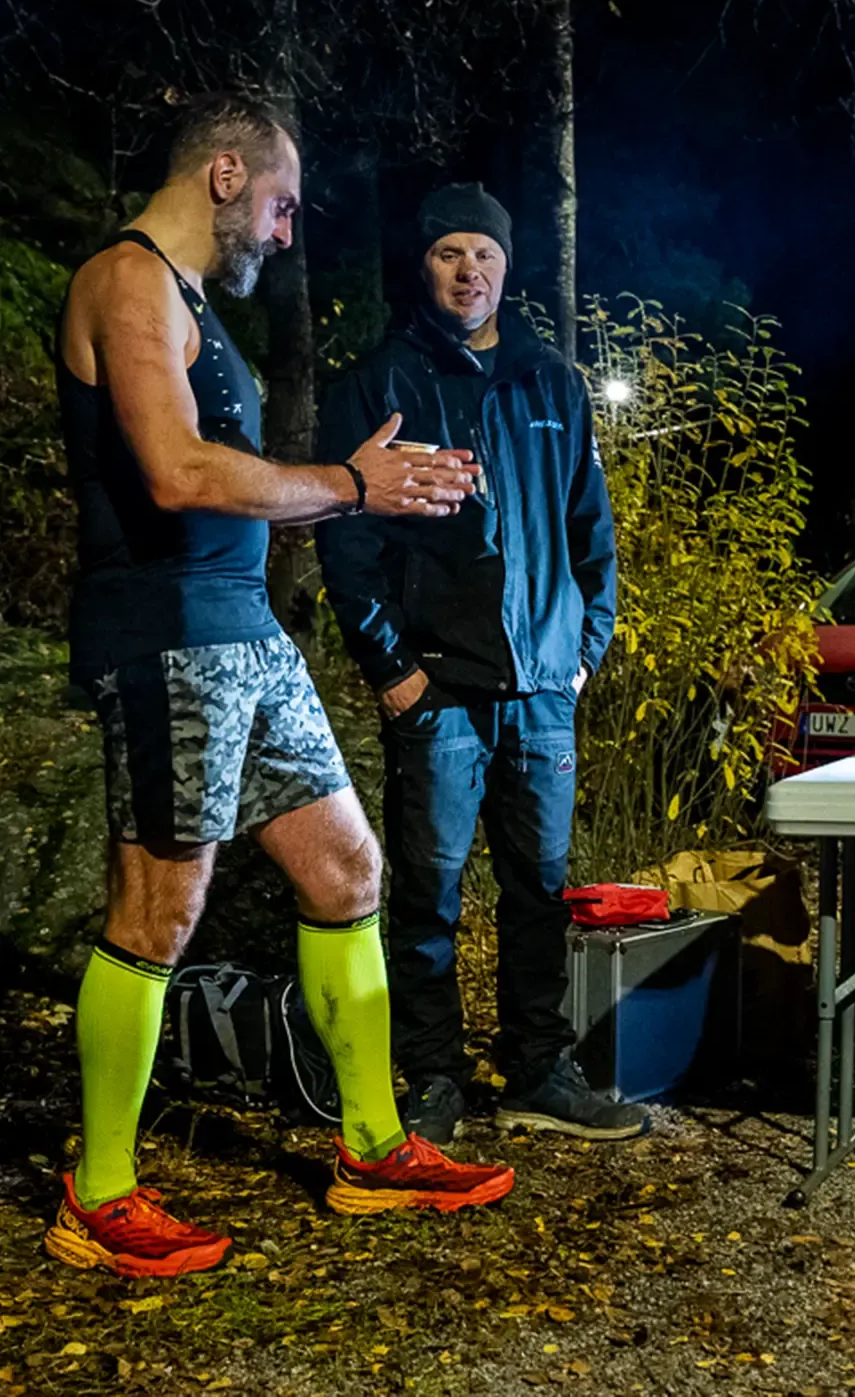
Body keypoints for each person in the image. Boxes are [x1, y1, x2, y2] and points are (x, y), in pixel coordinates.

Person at [49, 93, 513, 1280]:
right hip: (165, 636)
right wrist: (350, 489)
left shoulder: (198, 304)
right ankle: (96, 1192)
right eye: (280, 204)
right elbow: (176, 470)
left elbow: (245, 483)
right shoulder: (128, 279)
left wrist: (362, 492)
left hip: (246, 633)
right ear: (222, 175)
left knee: (348, 866)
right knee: (160, 906)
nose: (286, 230)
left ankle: (372, 1147)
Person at [315, 183, 641, 1146]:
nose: (471, 271)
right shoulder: (378, 384)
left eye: (486, 254)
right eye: (451, 252)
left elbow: (593, 535)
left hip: (542, 687)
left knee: (539, 890)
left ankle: (538, 1067)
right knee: (428, 895)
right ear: (425, 266)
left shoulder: (551, 381)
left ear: (508, 266)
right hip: (439, 689)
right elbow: (347, 548)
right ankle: (431, 1076)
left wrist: (581, 656)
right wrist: (396, 673)